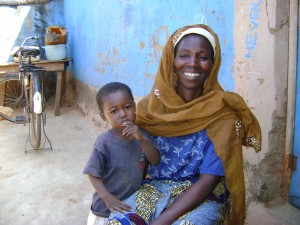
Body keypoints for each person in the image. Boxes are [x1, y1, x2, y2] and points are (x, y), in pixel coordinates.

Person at [108, 24, 261, 225]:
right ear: (172, 61)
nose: (193, 63)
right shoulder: (149, 108)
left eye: (203, 57)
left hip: (202, 196)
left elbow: (208, 181)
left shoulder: (223, 114)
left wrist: (159, 222)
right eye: (184, 56)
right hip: (153, 191)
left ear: (213, 64)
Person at [83, 82, 161, 225]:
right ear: (103, 116)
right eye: (114, 111)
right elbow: (92, 173)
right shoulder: (104, 142)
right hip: (105, 210)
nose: (123, 114)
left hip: (130, 205)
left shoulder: (142, 134)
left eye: (127, 107)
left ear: (134, 106)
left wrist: (142, 139)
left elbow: (155, 160)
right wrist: (107, 197)